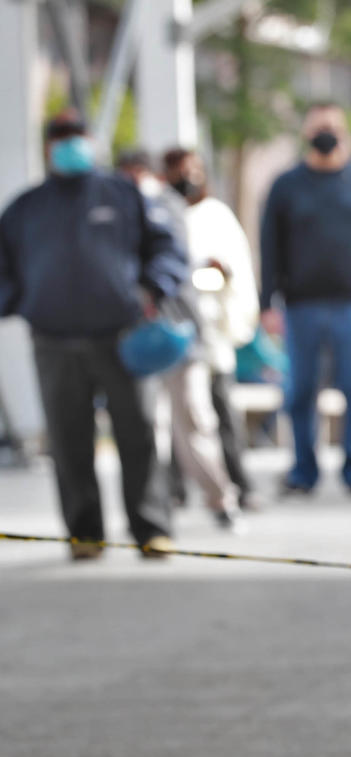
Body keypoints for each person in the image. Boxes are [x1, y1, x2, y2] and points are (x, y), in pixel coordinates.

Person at [0, 110, 184, 559]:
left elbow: (167, 248)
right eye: (60, 137)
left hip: (121, 338)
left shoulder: (123, 194)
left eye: (76, 135)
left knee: (137, 435)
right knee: (68, 440)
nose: (69, 143)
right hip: (54, 341)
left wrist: (156, 285)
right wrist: (21, 303)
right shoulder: (26, 208)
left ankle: (151, 528)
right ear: (47, 146)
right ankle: (85, 532)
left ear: (89, 139)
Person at [260, 101, 351, 495]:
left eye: (332, 126)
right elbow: (270, 247)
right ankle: (303, 471)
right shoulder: (286, 186)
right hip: (300, 307)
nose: (325, 133)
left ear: (344, 131)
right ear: (305, 133)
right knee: (299, 392)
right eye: (318, 126)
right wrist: (267, 302)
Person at [117, 151, 244, 531]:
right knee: (146, 428)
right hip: (135, 337)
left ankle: (222, 500)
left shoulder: (167, 208)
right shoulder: (115, 211)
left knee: (193, 422)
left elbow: (174, 264)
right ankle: (156, 506)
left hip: (178, 334)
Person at [163, 147, 262, 512]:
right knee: (181, 415)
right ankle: (175, 488)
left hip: (213, 328)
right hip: (176, 329)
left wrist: (211, 276)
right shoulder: (161, 212)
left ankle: (239, 482)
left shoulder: (217, 216)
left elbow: (232, 269)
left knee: (221, 412)